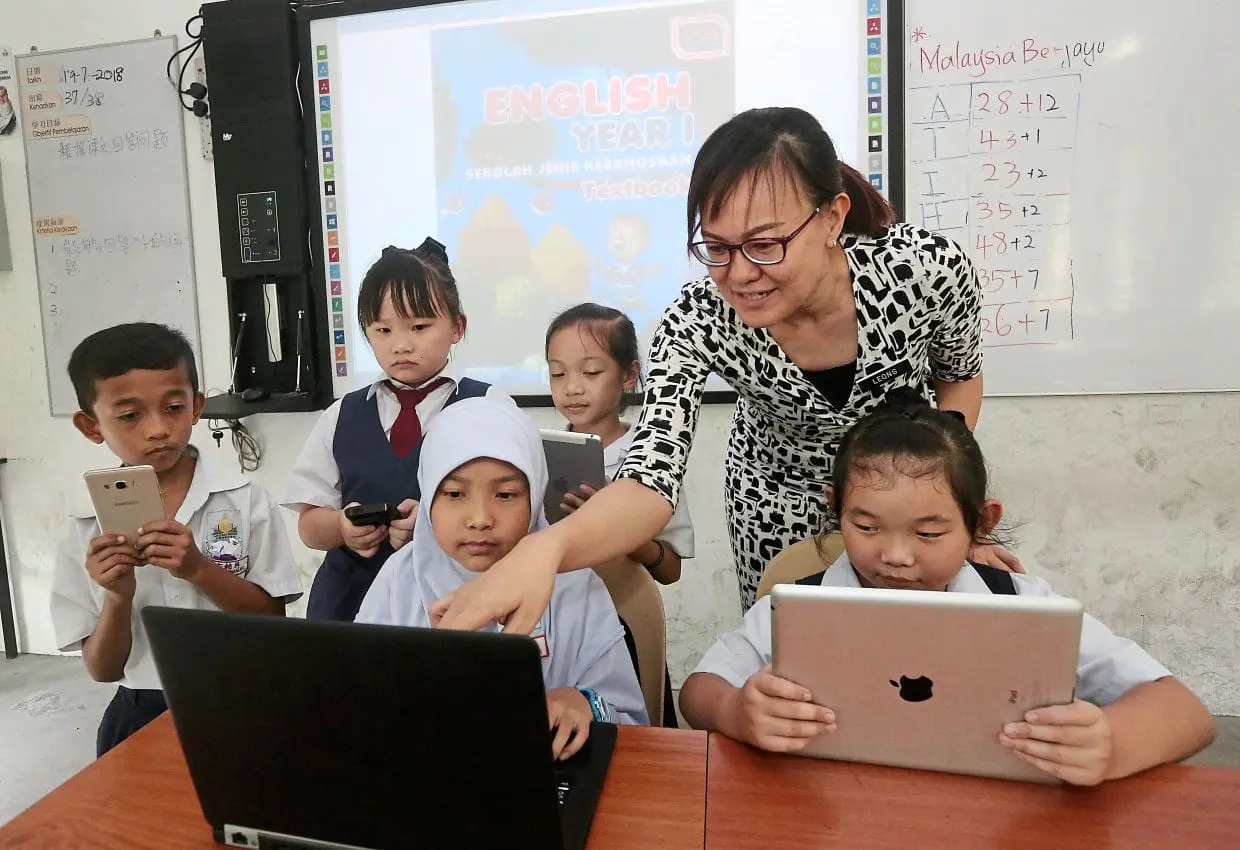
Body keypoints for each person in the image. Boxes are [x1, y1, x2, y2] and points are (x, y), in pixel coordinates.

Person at [433, 106, 1010, 634]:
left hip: (903, 493)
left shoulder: (923, 271)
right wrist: (547, 549)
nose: (739, 275)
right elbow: (650, 476)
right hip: (773, 494)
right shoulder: (697, 317)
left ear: (832, 218)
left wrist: (947, 513)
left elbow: (958, 377)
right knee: (789, 651)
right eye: (716, 247)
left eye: (764, 244)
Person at [678, 390, 1215, 785]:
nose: (895, 555)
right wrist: (734, 712)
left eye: (929, 532)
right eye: (865, 527)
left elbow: (1186, 714)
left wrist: (1111, 744)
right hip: (828, 807)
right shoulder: (798, 608)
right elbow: (699, 689)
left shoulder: (1023, 609)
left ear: (981, 523)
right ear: (834, 509)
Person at [49, 323, 302, 756]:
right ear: (91, 426)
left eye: (173, 407)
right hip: (140, 708)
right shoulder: (84, 526)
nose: (157, 429)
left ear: (197, 406)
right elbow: (102, 670)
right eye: (130, 416)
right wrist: (117, 596)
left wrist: (198, 569)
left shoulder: (244, 498)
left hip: (240, 699)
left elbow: (271, 618)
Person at [356, 396, 647, 760]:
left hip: (546, 773)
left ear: (535, 495)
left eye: (506, 494)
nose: (480, 518)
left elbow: (632, 720)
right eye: (455, 494)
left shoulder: (574, 584)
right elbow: (358, 706)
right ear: (427, 495)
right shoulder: (399, 581)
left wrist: (583, 702)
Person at [283, 238, 500, 621]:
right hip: (347, 607)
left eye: (419, 326)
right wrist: (342, 527)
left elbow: (517, 510)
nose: (401, 345)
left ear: (457, 327)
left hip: (450, 601)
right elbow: (309, 524)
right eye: (382, 330)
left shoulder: (488, 407)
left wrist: (433, 528)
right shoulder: (342, 415)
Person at [545, 302, 694, 586]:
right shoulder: (541, 452)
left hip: (624, 611)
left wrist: (617, 526)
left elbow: (670, 571)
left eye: (590, 372)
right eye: (558, 374)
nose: (572, 387)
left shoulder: (653, 459)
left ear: (629, 375)